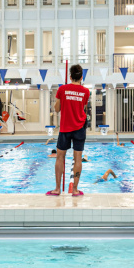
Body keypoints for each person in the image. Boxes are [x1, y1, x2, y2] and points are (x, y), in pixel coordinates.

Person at [47, 64, 90, 197]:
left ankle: (57, 189)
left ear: (70, 76)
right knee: (77, 158)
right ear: (81, 77)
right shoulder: (86, 91)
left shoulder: (62, 89)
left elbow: (57, 109)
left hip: (65, 128)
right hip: (79, 128)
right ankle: (75, 190)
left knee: (60, 157)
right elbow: (83, 107)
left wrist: (60, 99)